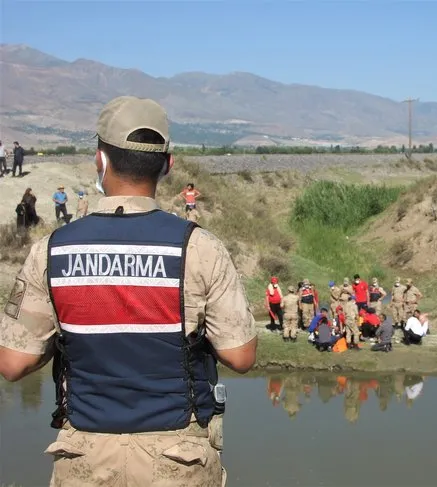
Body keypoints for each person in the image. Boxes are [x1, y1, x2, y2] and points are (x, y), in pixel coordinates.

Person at [0, 95, 258, 486]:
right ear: (167, 166)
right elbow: (240, 355)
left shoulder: (51, 250)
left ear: (100, 160)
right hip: (178, 458)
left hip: (84, 455)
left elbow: (13, 363)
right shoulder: (199, 246)